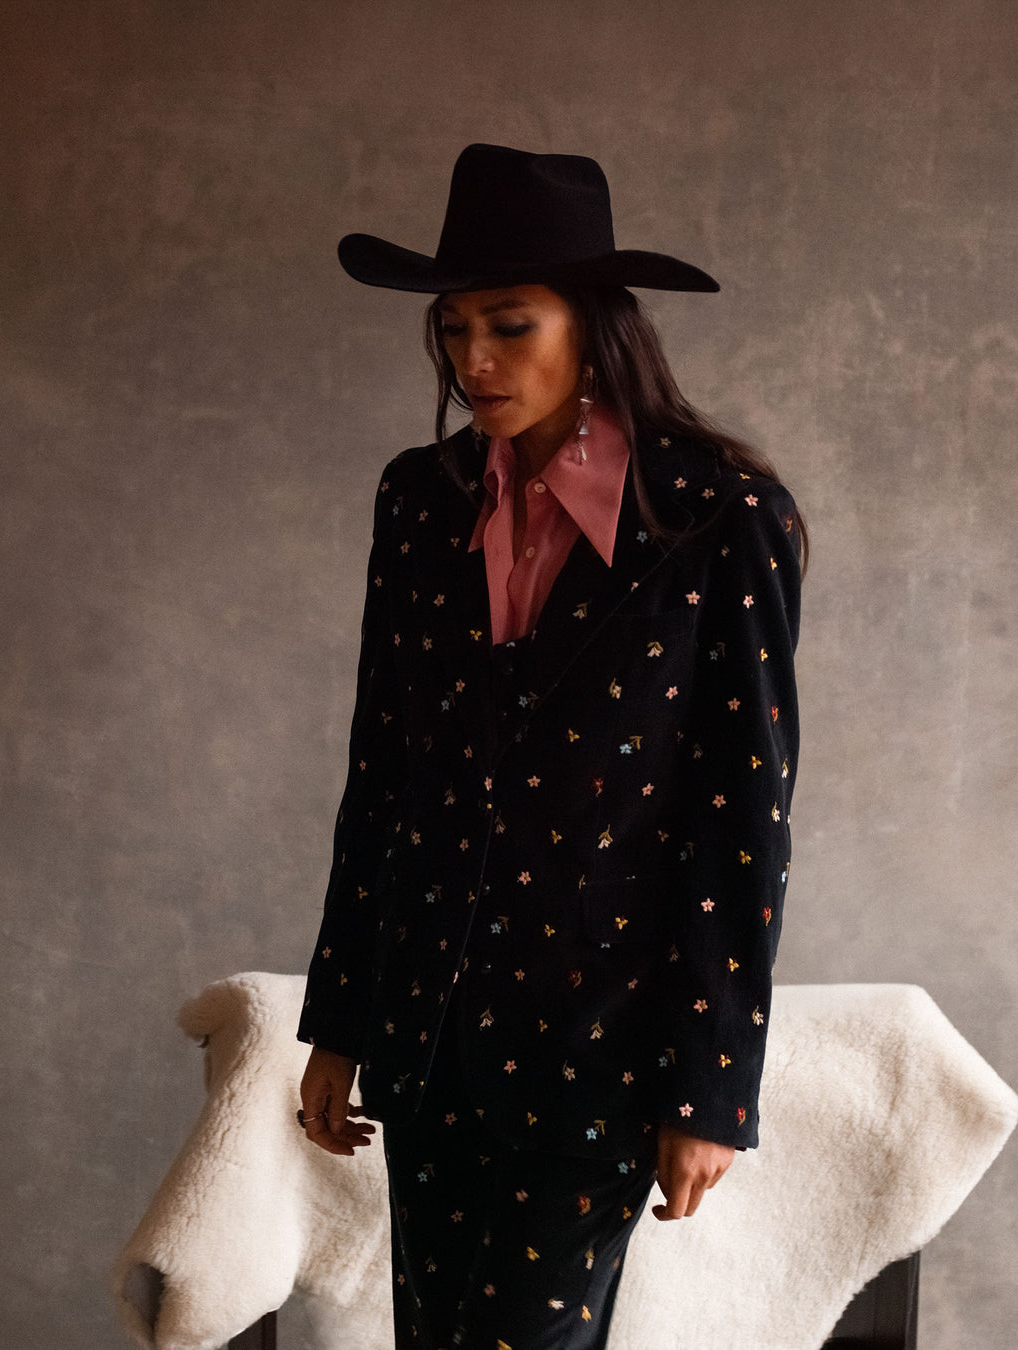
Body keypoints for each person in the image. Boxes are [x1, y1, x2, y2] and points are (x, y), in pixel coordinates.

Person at [296, 143, 805, 1350]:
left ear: (597, 327)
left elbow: (742, 818)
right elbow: (382, 775)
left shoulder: (720, 517)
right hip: (424, 1034)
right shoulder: (416, 501)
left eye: (509, 326)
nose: (474, 361)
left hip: (600, 1051)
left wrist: (710, 1087)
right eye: (455, 328)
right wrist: (340, 1019)